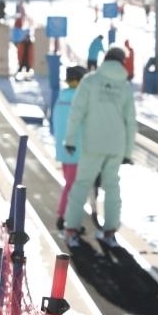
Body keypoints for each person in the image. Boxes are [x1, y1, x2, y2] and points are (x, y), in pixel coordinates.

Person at [62, 46, 136, 248]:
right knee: (112, 186)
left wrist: (70, 139)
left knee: (82, 184)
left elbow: (77, 112)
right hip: (116, 145)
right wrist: (128, 152)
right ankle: (110, 231)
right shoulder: (124, 86)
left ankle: (71, 229)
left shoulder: (90, 81)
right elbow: (131, 121)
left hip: (93, 143)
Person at [52, 65, 87, 231]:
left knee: (70, 184)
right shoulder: (81, 99)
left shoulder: (61, 97)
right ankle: (65, 218)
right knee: (73, 187)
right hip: (77, 150)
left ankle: (67, 217)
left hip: (63, 150)